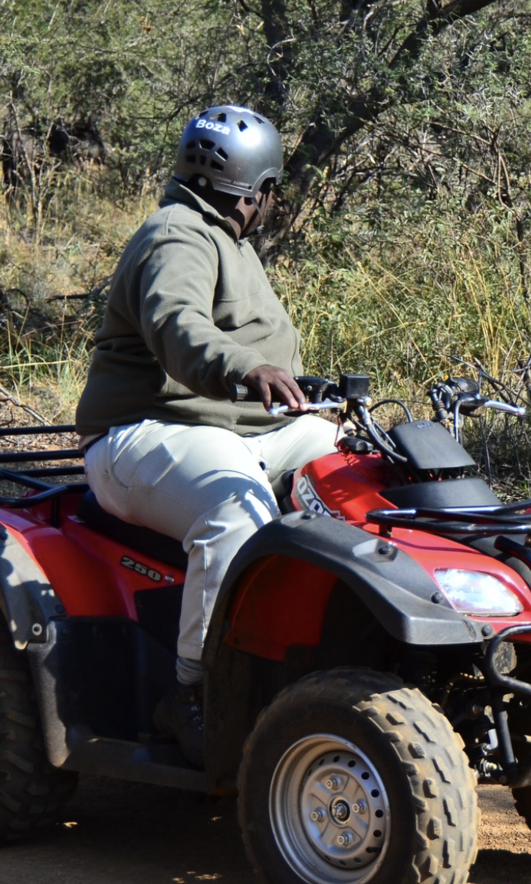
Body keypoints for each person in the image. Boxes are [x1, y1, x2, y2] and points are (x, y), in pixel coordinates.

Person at [75, 105, 337, 766]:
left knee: (346, 468)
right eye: (272, 190)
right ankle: (194, 692)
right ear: (260, 191)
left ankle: (335, 643)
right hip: (139, 437)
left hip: (228, 432)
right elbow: (179, 326)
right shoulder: (176, 235)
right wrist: (247, 367)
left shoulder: (230, 241)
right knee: (235, 506)